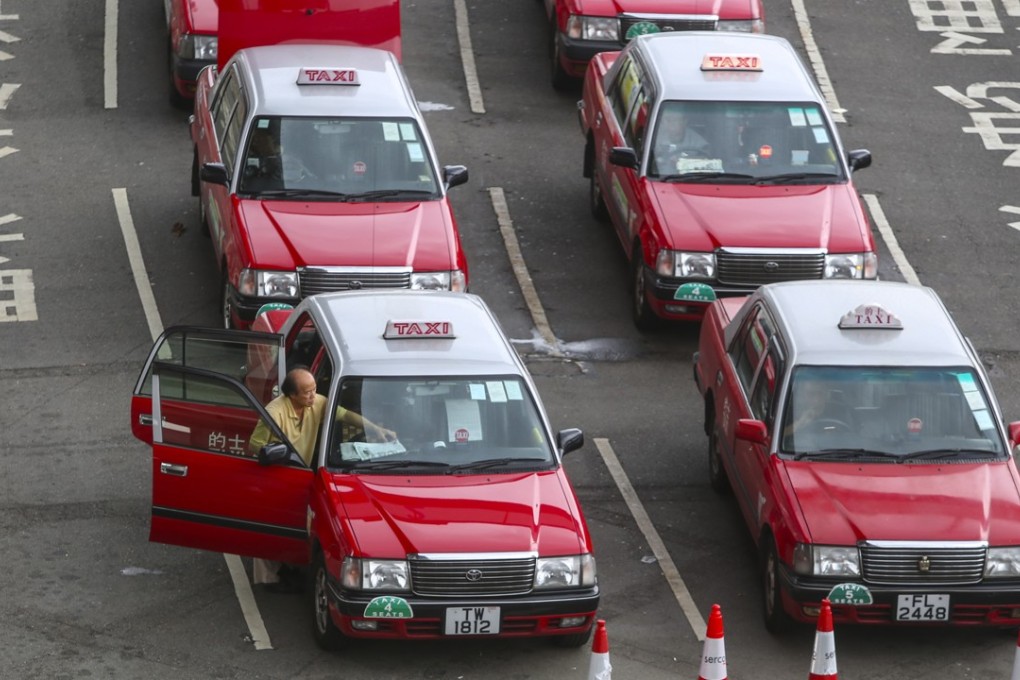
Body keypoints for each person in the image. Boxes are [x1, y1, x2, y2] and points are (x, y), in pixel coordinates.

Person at [248, 367, 396, 592]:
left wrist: (375, 429)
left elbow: (344, 414)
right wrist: (275, 453)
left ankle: (287, 567)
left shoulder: (316, 402)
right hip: (276, 474)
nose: (312, 395)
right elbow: (254, 445)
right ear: (292, 395)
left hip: (300, 473)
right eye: (307, 392)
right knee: (270, 525)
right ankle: (269, 579)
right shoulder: (274, 413)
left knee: (295, 521)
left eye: (314, 390)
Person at [652, 107, 712, 174]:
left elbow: (706, 162)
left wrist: (684, 161)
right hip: (659, 179)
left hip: (689, 179)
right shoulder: (654, 139)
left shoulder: (699, 143)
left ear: (684, 121)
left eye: (675, 120)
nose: (672, 124)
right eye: (668, 120)